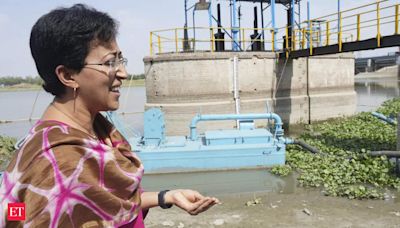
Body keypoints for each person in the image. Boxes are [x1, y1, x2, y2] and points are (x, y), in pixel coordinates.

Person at [0, 4, 219, 227]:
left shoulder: (98, 131)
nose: (123, 73)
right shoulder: (55, 157)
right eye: (109, 63)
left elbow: (107, 202)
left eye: (120, 60)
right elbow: (17, 211)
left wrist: (166, 197)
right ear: (67, 75)